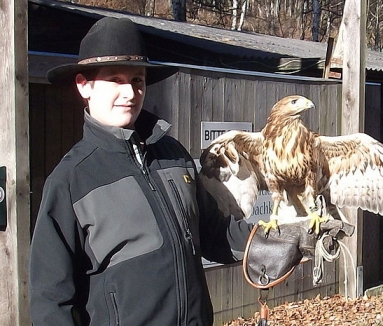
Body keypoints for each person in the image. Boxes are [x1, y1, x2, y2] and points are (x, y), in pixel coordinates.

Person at [28, 17, 253, 326]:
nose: (130, 93)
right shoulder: (70, 181)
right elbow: (51, 299)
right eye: (115, 79)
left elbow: (214, 233)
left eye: (137, 80)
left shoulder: (174, 155)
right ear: (84, 85)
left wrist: (268, 240)